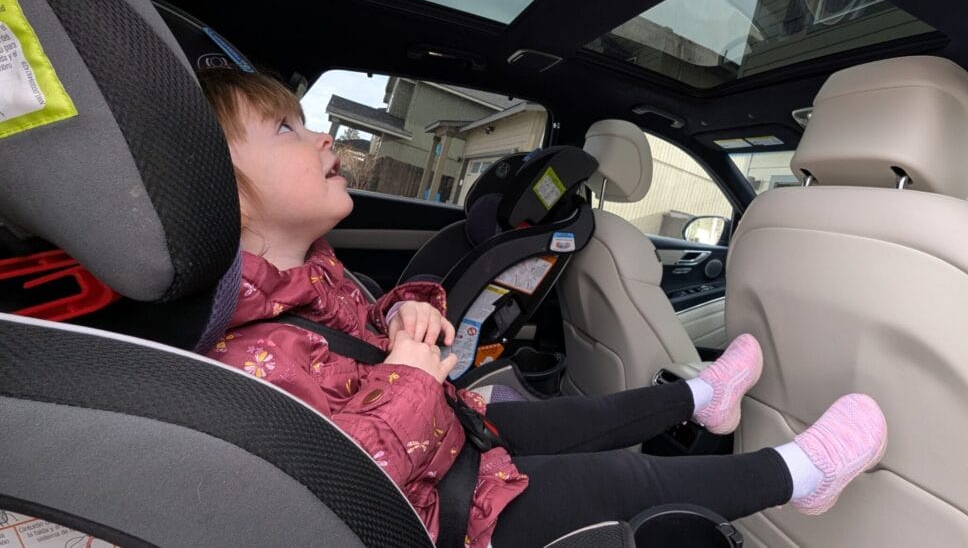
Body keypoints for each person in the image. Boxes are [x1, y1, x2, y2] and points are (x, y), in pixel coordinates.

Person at [197, 68, 888, 547]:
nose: (322, 135)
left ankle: (704, 396)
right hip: (444, 514)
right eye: (285, 129)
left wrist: (405, 311)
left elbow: (359, 345)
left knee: (575, 417)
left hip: (443, 435)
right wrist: (409, 378)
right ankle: (801, 473)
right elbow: (338, 483)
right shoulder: (243, 353)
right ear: (221, 186)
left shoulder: (310, 272)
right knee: (621, 475)